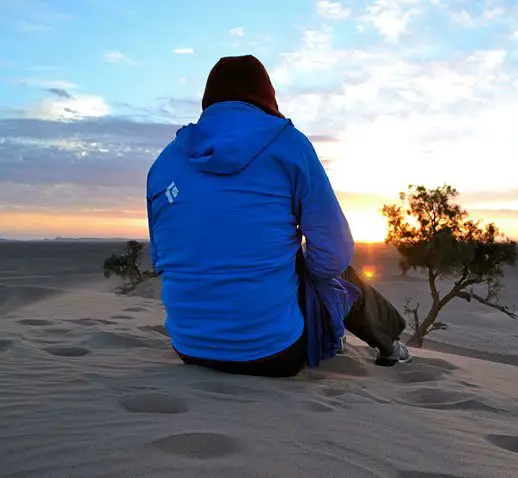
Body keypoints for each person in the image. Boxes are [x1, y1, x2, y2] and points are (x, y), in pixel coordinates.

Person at [146, 55, 411, 378]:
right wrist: (304, 271)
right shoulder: (288, 144)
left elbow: (159, 258)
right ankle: (391, 345)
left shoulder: (164, 163)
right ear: (267, 97)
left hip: (189, 348)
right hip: (274, 352)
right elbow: (334, 253)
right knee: (342, 273)